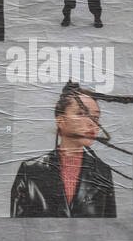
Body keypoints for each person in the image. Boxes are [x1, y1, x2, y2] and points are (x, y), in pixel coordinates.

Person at [10, 82, 117, 218]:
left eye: (95, 117)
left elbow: (109, 231)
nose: (92, 122)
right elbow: (15, 231)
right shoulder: (30, 170)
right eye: (81, 113)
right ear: (60, 121)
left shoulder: (103, 172)